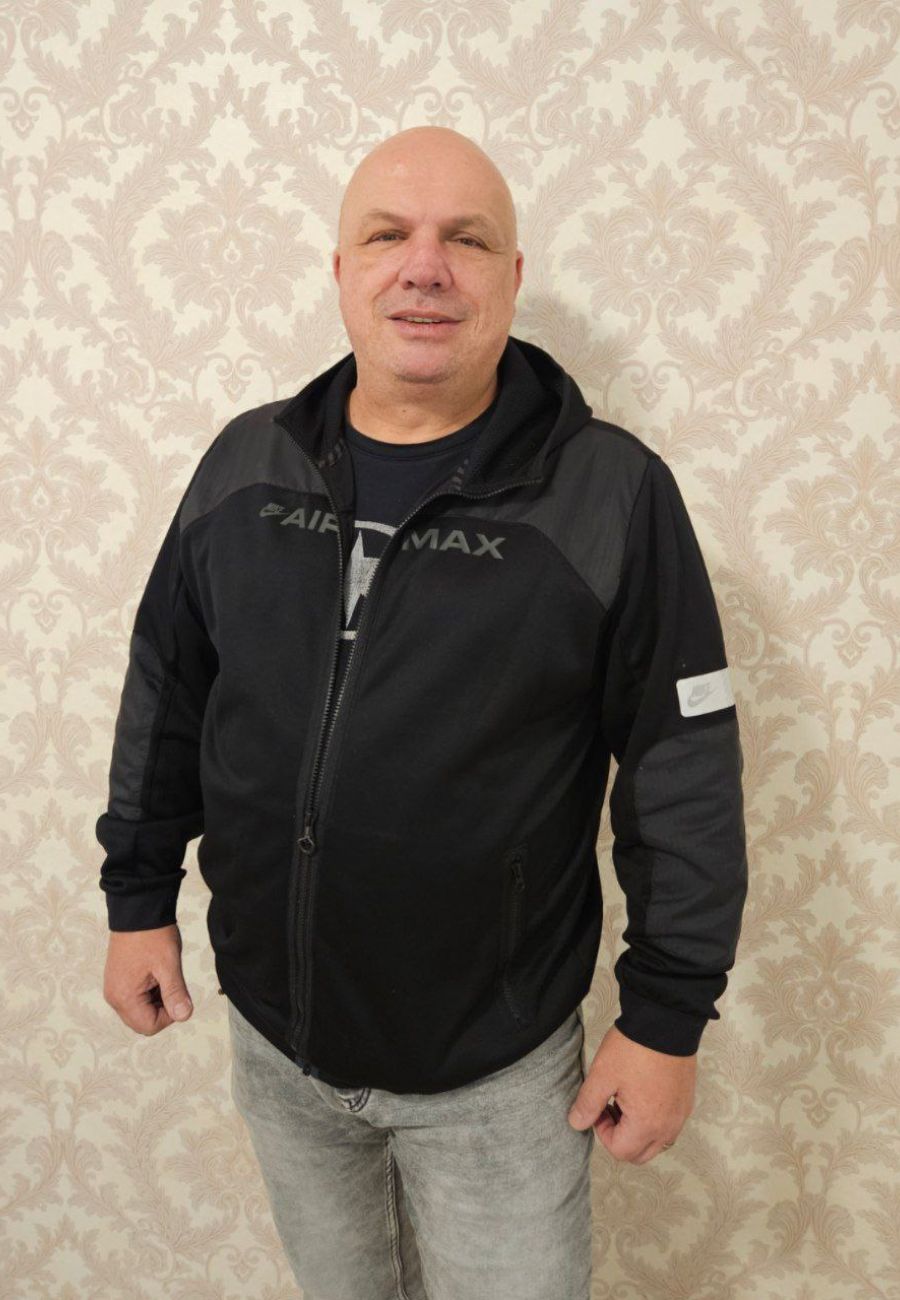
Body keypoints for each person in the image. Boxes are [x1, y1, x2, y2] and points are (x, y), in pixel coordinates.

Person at [97, 125, 749, 1300]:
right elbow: (169, 686)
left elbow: (681, 765)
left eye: (467, 239)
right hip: (279, 1047)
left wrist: (666, 1019)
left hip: (495, 1076)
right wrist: (137, 897)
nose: (425, 266)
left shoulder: (609, 493)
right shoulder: (246, 466)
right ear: (341, 271)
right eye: (388, 235)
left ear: (513, 273)